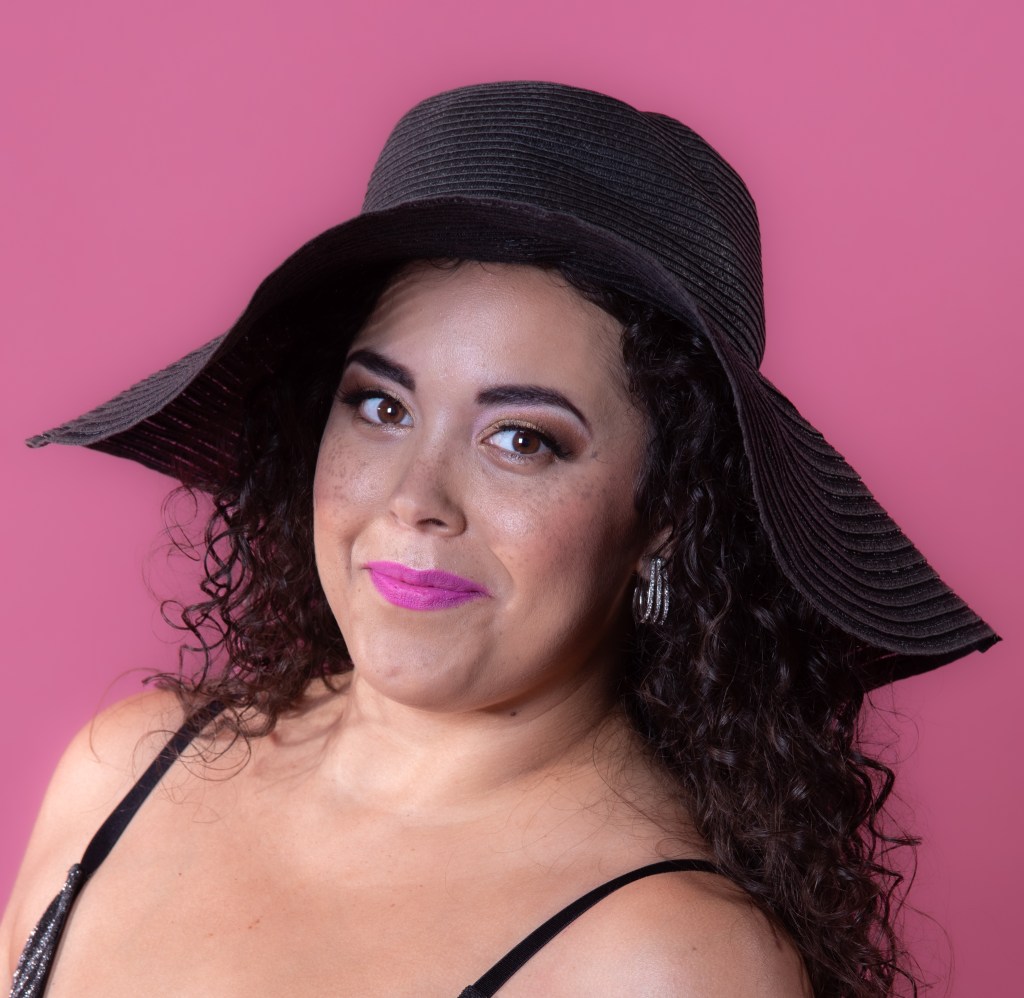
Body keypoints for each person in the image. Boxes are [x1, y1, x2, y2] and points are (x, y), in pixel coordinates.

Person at [0, 81, 998, 998]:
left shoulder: (665, 965)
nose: (415, 499)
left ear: (669, 513)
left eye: (522, 439)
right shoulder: (124, 771)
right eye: (381, 406)